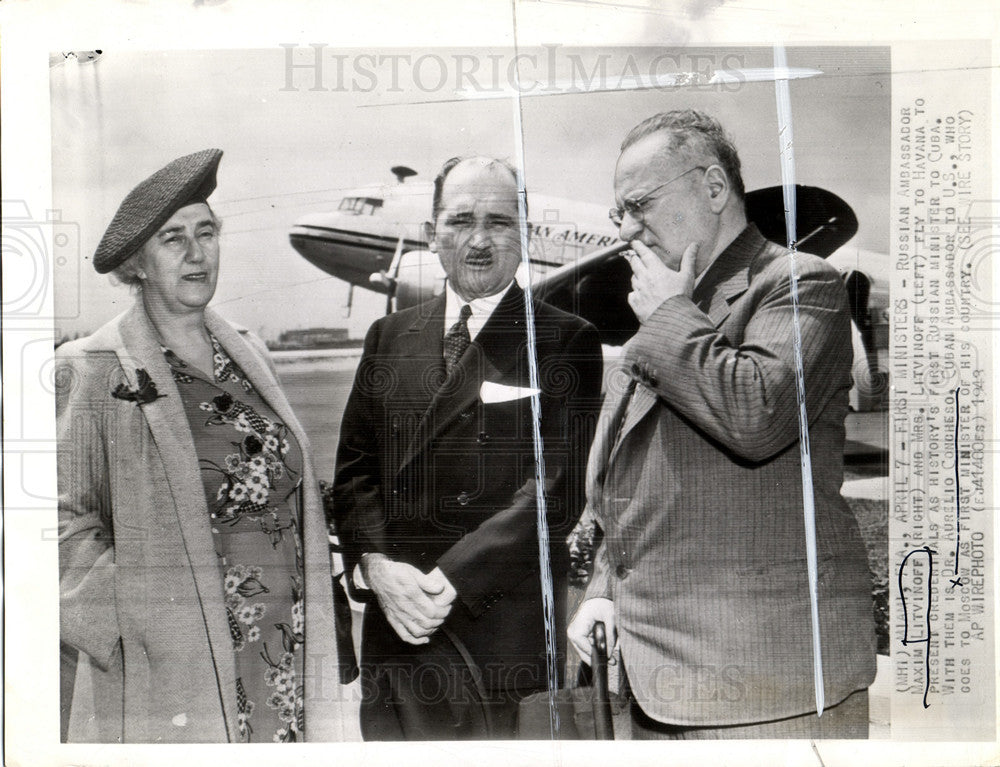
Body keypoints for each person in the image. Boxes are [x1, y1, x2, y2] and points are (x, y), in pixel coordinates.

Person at [568, 110, 877, 739]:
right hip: (659, 680)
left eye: (640, 205)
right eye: (617, 215)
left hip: (765, 688)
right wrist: (603, 588)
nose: (627, 231)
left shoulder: (797, 284)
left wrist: (666, 320)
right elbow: (620, 480)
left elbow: (756, 415)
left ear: (713, 188)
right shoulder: (671, 312)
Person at [57, 149, 350, 742]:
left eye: (207, 232)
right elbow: (60, 522)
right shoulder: (90, 368)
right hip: (175, 664)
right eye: (173, 239)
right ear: (136, 265)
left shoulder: (247, 351)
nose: (197, 253)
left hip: (284, 645)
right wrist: (140, 616)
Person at [332, 156, 603, 739]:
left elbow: (555, 491)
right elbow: (356, 470)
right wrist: (377, 569)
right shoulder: (388, 336)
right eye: (460, 221)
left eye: (499, 222)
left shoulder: (566, 339)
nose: (479, 240)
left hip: (497, 637)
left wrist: (442, 584)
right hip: (396, 635)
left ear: (523, 234)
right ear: (433, 235)